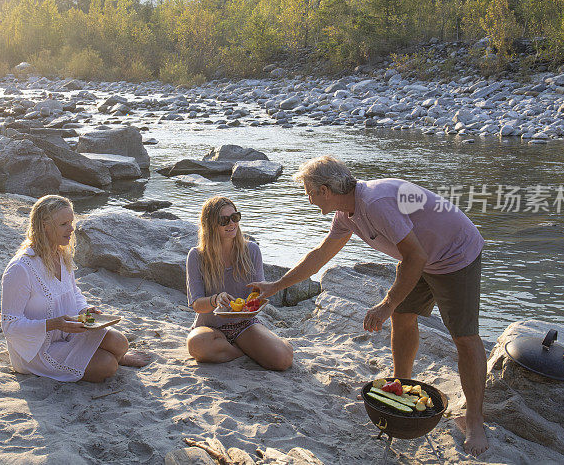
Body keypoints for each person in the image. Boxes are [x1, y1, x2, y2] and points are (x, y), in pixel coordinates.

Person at [249, 156, 489, 456]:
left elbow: (415, 257)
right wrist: (275, 286)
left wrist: (386, 303)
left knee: (464, 337)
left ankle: (476, 420)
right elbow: (320, 255)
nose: (308, 199)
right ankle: (400, 388)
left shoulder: (375, 202)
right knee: (403, 317)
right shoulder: (346, 213)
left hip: (455, 255)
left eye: (309, 192)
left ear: (325, 190)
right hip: (420, 257)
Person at [1, 195, 149, 382]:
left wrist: (84, 309)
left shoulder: (60, 255)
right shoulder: (20, 269)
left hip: (68, 332)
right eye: (64, 224)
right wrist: (54, 324)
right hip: (37, 349)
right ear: (44, 226)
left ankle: (116, 358)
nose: (71, 229)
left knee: (120, 343)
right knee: (107, 365)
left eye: (71, 222)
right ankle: (111, 361)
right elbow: (10, 326)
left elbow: (73, 292)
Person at [186, 196, 293, 371]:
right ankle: (244, 351)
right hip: (210, 326)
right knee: (196, 344)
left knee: (283, 360)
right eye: (224, 220)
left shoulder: (252, 250)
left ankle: (247, 347)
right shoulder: (197, 256)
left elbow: (258, 295)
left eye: (235, 217)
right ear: (210, 225)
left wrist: (261, 295)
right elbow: (197, 305)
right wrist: (215, 300)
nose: (232, 224)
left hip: (244, 325)